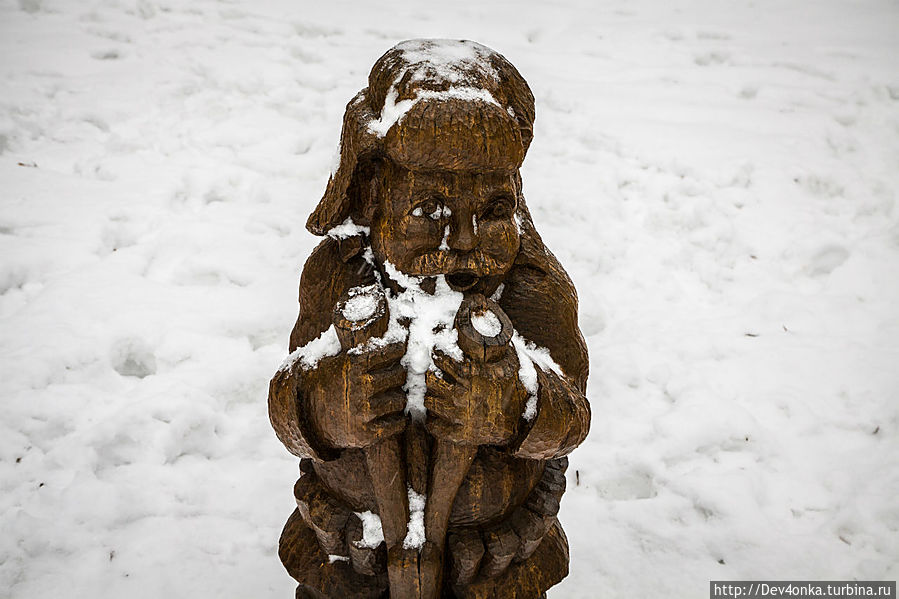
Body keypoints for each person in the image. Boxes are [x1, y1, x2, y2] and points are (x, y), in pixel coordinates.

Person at [269, 39, 590, 599]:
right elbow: (286, 409)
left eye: (492, 212)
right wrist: (323, 405)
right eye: (426, 212)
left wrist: (516, 407)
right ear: (372, 197)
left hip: (496, 559)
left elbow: (573, 418)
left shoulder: (531, 285)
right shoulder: (340, 272)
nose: (463, 242)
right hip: (350, 554)